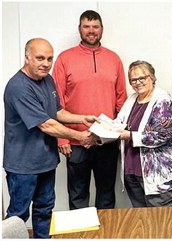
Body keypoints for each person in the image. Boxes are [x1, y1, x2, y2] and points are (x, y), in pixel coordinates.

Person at [3, 38, 97, 238]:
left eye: (49, 59)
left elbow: (57, 112)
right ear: (27, 57)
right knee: (17, 218)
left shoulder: (48, 80)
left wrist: (83, 119)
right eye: (39, 58)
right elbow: (46, 124)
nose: (46, 63)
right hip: (23, 166)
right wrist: (80, 136)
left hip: (46, 162)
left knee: (44, 211)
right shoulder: (18, 86)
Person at [52, 10, 127, 210]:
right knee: (77, 196)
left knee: (106, 195)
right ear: (79, 29)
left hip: (107, 141)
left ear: (101, 29)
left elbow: (122, 101)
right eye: (86, 26)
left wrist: (121, 135)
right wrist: (62, 138)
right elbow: (56, 102)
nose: (91, 31)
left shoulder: (114, 59)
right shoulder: (64, 59)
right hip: (76, 140)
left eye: (95, 26)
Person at [115, 60, 172, 207]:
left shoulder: (163, 101)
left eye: (142, 78)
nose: (138, 82)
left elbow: (161, 136)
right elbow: (118, 123)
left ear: (152, 78)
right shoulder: (132, 99)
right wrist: (101, 129)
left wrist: (129, 135)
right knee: (143, 222)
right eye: (133, 80)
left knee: (161, 223)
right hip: (133, 172)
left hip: (159, 175)